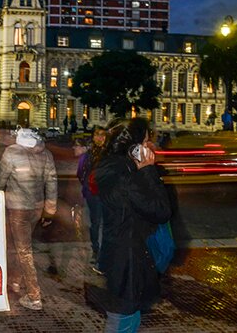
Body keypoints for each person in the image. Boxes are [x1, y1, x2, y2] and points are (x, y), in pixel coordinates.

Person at [93, 118, 171, 332]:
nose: (150, 147)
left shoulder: (115, 166)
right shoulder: (126, 176)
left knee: (127, 317)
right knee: (122, 321)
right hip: (127, 260)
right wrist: (148, 170)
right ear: (134, 147)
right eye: (146, 143)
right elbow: (161, 210)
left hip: (123, 255)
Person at [0, 127, 57, 311]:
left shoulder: (12, 153)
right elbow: (52, 182)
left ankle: (34, 295)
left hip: (17, 207)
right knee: (17, 245)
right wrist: (49, 210)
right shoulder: (45, 154)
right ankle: (14, 281)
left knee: (24, 250)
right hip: (36, 208)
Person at [76, 126, 106, 270]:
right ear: (93, 137)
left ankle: (102, 251)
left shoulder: (109, 154)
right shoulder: (88, 155)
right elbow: (80, 172)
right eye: (97, 135)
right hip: (94, 194)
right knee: (96, 222)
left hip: (106, 194)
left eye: (103, 135)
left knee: (105, 223)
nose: (100, 138)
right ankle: (96, 250)